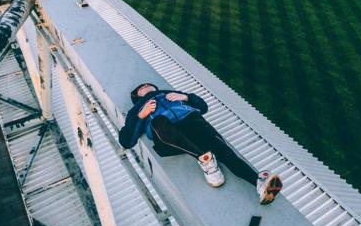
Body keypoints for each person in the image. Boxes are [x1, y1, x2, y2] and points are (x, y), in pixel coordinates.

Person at [118, 82, 283, 204]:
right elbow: (126, 141)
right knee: (159, 121)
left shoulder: (170, 93)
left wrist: (186, 97)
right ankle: (205, 161)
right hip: (169, 136)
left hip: (192, 123)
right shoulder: (137, 110)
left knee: (223, 151)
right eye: (141, 87)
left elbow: (203, 107)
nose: (146, 85)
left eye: (148, 84)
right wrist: (142, 115)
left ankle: (258, 183)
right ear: (137, 95)